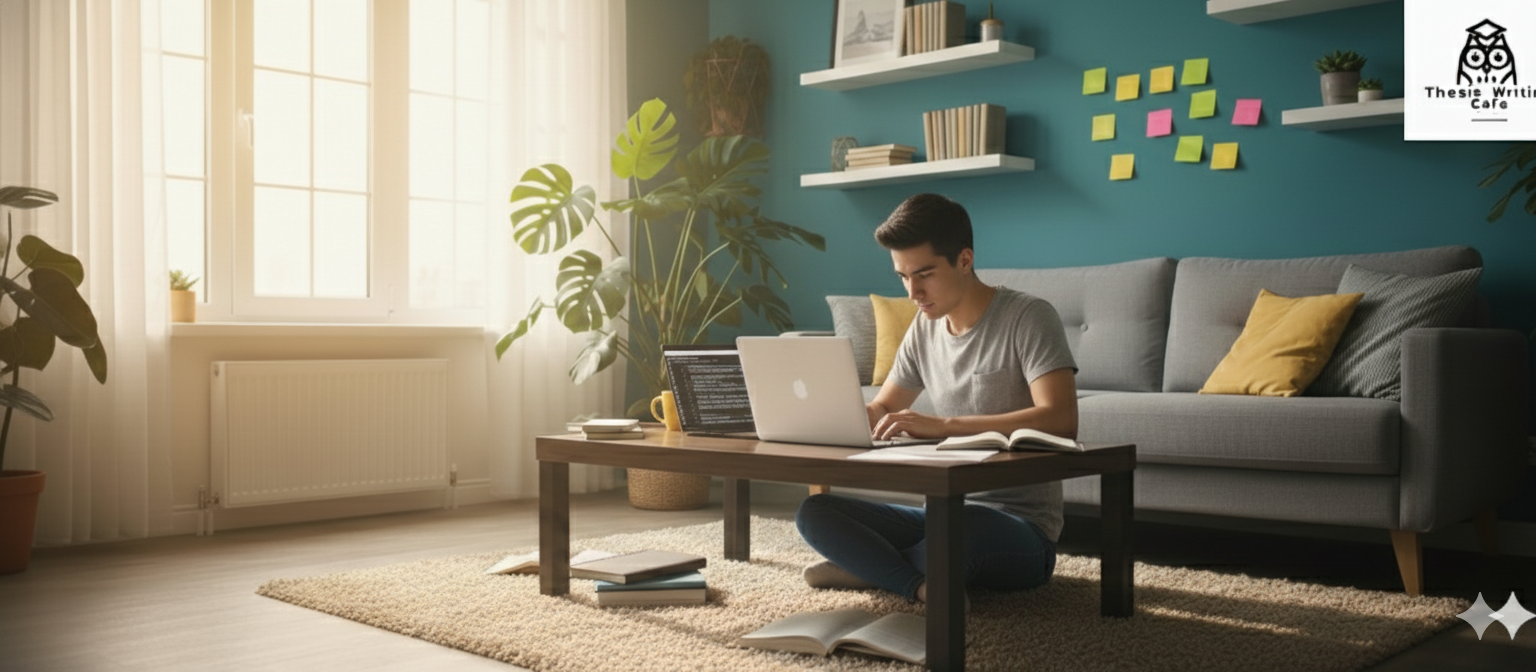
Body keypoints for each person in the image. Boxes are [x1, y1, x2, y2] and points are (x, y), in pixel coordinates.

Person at [796, 192, 1079, 603]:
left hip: (1021, 530)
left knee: (962, 531)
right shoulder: (924, 328)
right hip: (943, 515)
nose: (913, 292)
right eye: (903, 277)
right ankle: (917, 582)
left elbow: (1061, 419)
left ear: (964, 260)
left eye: (924, 274)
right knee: (816, 512)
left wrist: (942, 426)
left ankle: (873, 567)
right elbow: (883, 407)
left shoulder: (1029, 317)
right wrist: (835, 415)